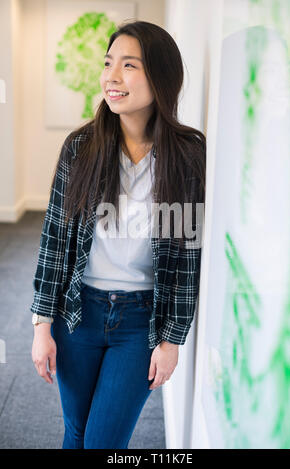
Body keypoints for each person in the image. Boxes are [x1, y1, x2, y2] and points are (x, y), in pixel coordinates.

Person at [31, 20, 206, 450]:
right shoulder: (81, 147)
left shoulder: (186, 154)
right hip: (79, 313)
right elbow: (55, 239)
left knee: (102, 441)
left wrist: (172, 339)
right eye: (109, 63)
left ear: (160, 77)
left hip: (139, 322)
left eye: (129, 66)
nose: (111, 76)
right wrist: (41, 325)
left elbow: (187, 256)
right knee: (76, 432)